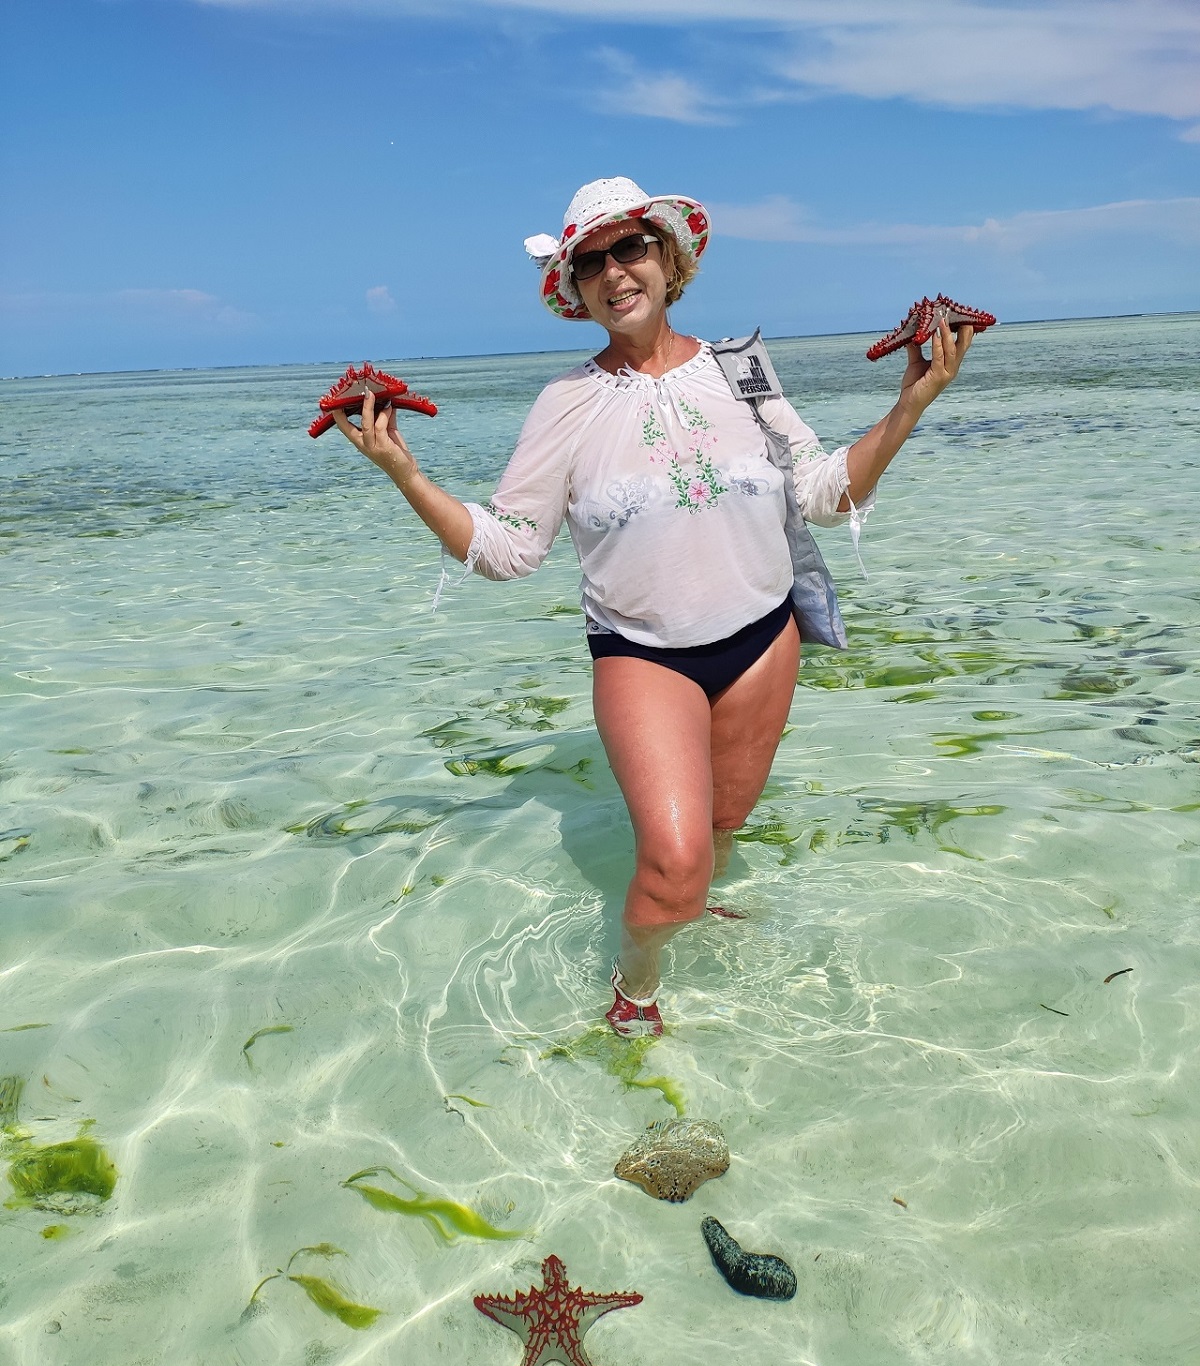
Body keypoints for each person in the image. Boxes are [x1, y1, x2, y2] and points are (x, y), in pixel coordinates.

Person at [332, 177, 975, 1038]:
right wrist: (404, 473)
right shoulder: (565, 403)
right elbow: (509, 548)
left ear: (669, 259)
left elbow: (823, 493)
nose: (613, 271)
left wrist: (912, 402)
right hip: (643, 655)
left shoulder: (743, 368)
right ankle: (635, 983)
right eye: (590, 261)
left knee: (723, 824)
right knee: (674, 867)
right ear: (575, 287)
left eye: (629, 247)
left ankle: (704, 909)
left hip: (762, 640)